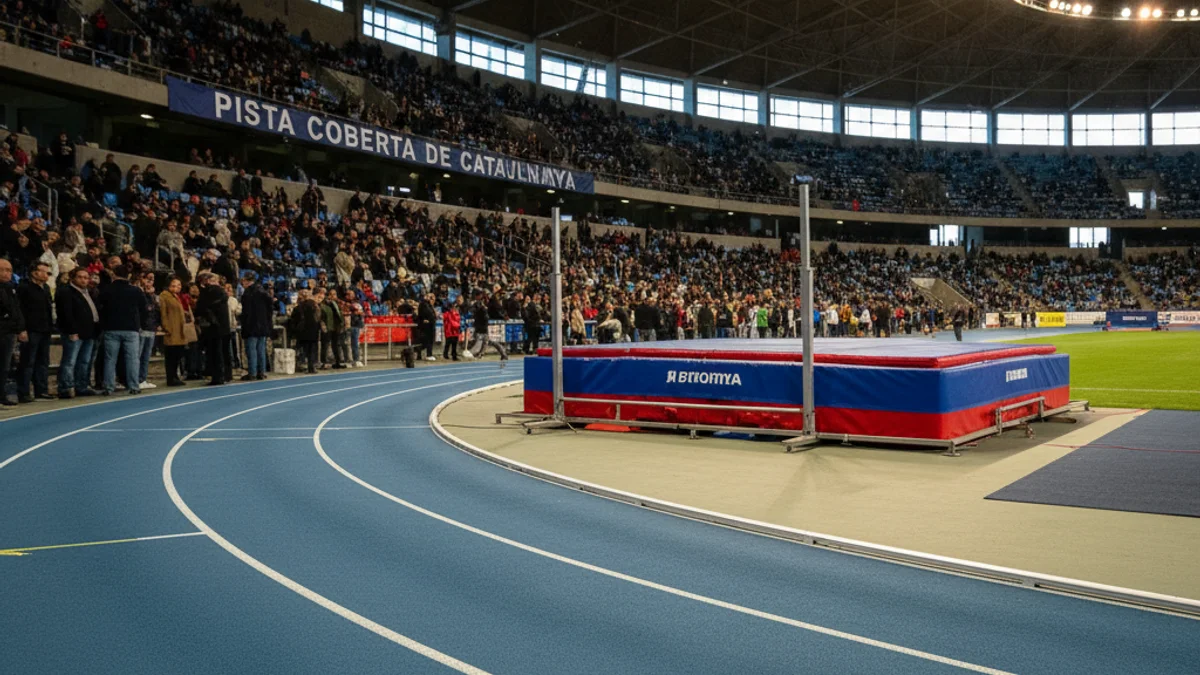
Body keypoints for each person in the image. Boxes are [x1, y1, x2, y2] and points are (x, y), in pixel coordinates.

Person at [97, 264, 144, 396]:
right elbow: (143, 309)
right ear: (128, 275)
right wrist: (140, 324)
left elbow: (100, 308)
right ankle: (133, 386)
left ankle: (108, 386)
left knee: (110, 359)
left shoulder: (107, 290)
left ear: (114, 274)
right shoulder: (136, 291)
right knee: (132, 359)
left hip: (111, 328)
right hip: (131, 328)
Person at [56, 266, 99, 398]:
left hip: (89, 332)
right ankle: (66, 387)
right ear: (73, 278)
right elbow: (66, 313)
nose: (83, 280)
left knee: (85, 361)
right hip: (74, 333)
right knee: (70, 361)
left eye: (86, 277)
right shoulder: (66, 292)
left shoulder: (88, 292)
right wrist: (72, 331)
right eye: (80, 277)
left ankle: (81, 385)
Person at [16, 261, 54, 402]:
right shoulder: (24, 288)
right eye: (44, 271)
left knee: (43, 361)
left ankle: (41, 390)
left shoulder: (45, 289)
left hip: (45, 329)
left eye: (48, 272)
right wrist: (22, 329)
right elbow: (20, 309)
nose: (46, 275)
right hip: (31, 329)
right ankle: (24, 391)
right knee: (27, 361)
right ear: (34, 272)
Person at [194, 273, 231, 385]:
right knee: (225, 352)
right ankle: (227, 375)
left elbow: (200, 309)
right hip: (224, 327)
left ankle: (217, 376)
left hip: (213, 327)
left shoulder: (208, 292)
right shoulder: (222, 292)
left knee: (215, 353)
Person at [239, 272, 274, 381]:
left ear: (246, 280)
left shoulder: (248, 293)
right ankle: (261, 372)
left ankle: (252, 372)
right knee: (261, 350)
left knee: (251, 350)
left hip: (251, 325)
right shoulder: (264, 292)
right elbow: (270, 309)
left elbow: (246, 312)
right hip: (263, 325)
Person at [0, 259, 25, 406]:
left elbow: (16, 310)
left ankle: (2, 395)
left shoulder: (11, 288)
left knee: (5, 366)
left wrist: (20, 328)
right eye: (3, 270)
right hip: (3, 330)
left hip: (9, 333)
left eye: (9, 270)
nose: (7, 273)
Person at [158, 278, 188, 387]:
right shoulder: (164, 296)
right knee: (171, 355)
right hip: (171, 329)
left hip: (179, 330)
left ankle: (175, 376)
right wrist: (166, 327)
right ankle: (171, 377)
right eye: (175, 284)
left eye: (179, 285)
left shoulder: (176, 297)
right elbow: (163, 313)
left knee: (177, 355)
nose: (178, 287)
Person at [289, 289, 321, 374]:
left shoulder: (299, 308)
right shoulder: (315, 306)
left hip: (303, 331)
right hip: (314, 331)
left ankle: (304, 365)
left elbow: (293, 320)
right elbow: (318, 318)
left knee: (304, 350)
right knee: (312, 349)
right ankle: (312, 366)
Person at [468, 292, 507, 361]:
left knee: (488, 341)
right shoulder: (478, 305)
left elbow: (488, 316)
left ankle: (480, 354)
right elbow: (473, 311)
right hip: (480, 327)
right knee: (487, 341)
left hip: (484, 327)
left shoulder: (488, 306)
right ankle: (501, 353)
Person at [136, 274, 160, 390]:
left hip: (151, 328)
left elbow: (156, 310)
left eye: (151, 280)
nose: (149, 282)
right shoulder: (139, 294)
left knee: (146, 356)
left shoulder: (153, 297)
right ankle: (135, 379)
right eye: (147, 279)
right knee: (138, 356)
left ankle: (143, 379)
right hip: (141, 328)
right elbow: (144, 309)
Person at [317, 288, 346, 369]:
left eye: (335, 294)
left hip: (335, 328)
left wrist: (341, 324)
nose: (333, 296)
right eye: (331, 294)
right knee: (325, 345)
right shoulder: (322, 304)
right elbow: (321, 316)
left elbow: (339, 315)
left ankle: (337, 362)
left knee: (336, 345)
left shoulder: (336, 304)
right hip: (327, 327)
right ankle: (323, 362)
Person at [345, 290, 364, 367]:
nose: (351, 296)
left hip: (356, 326)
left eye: (352, 294)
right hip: (349, 326)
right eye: (349, 294)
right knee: (349, 344)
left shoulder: (357, 303)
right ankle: (351, 360)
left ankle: (356, 359)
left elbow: (361, 314)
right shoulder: (346, 304)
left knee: (355, 344)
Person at [417, 293, 437, 361]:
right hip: (426, 326)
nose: (432, 299)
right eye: (430, 297)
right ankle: (428, 354)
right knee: (427, 341)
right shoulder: (424, 304)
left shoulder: (429, 305)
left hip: (430, 325)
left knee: (428, 341)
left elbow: (434, 315)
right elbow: (428, 314)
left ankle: (423, 353)